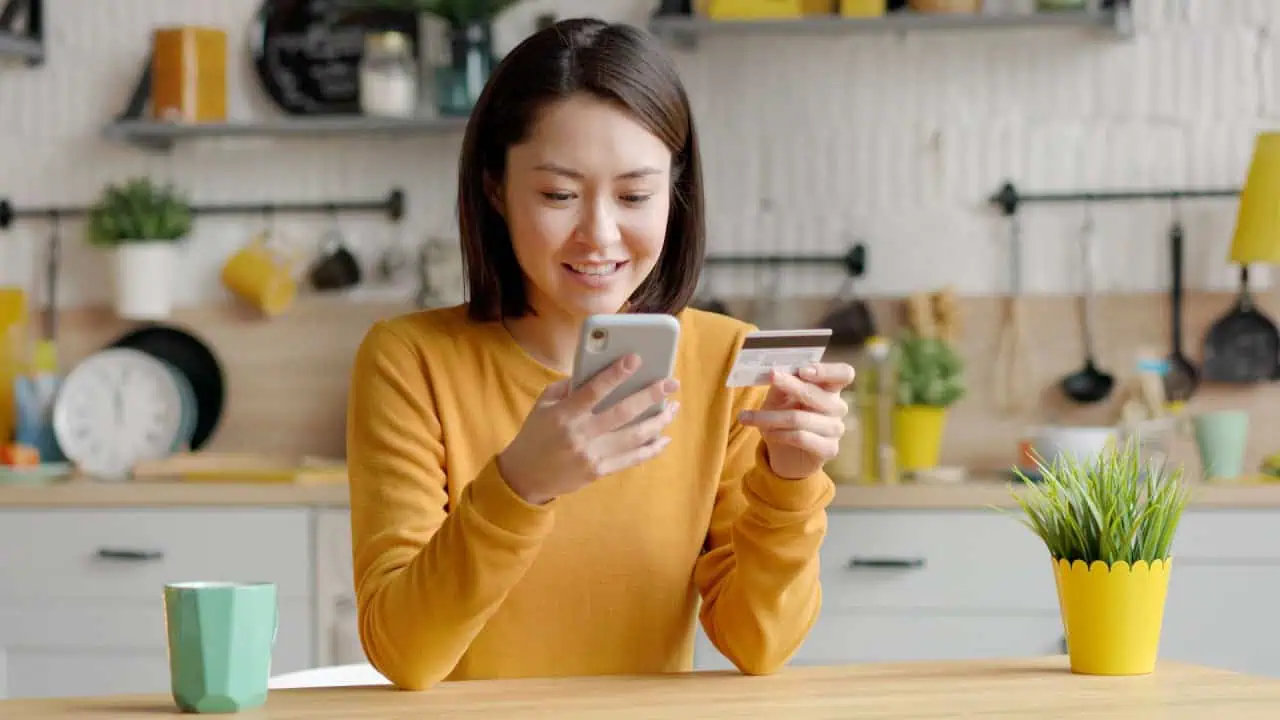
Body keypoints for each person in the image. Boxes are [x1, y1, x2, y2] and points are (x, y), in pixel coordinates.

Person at [345, 17, 855, 692]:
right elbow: (405, 652)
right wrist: (519, 485)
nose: (600, 234)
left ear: (675, 192)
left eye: (635, 195)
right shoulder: (409, 361)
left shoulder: (725, 362)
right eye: (558, 195)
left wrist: (789, 483)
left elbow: (758, 643)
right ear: (495, 188)